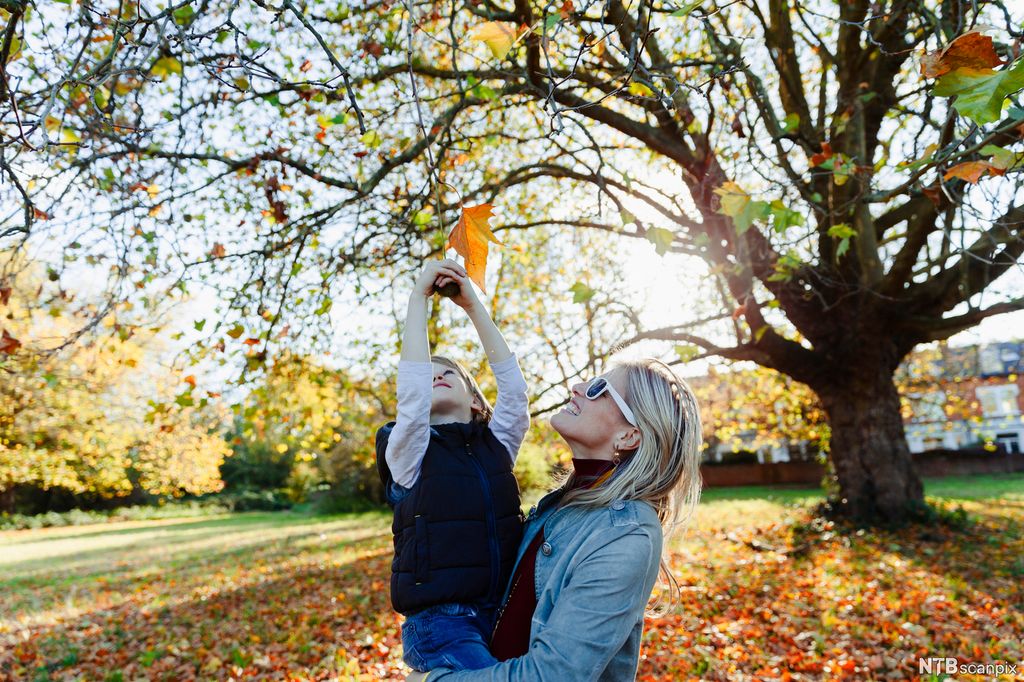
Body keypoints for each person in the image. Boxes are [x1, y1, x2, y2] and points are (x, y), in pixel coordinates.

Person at [409, 357, 703, 681]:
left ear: (629, 436)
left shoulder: (627, 534)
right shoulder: (565, 501)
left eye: (598, 389)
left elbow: (552, 675)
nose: (576, 388)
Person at [376, 258, 530, 673]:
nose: (435, 376)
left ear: (477, 400)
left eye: (450, 374)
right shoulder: (408, 451)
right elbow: (410, 398)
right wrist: (418, 298)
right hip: (442, 623)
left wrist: (472, 307)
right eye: (428, 373)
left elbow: (514, 392)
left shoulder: (496, 444)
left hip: (505, 613)